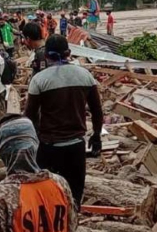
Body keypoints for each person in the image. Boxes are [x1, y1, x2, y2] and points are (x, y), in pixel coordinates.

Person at [24, 35, 103, 208]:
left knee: (47, 197)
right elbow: (97, 111)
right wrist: (96, 135)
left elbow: (29, 115)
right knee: (74, 196)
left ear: (46, 55)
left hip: (48, 147)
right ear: (68, 53)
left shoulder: (39, 80)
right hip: (75, 146)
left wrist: (33, 140)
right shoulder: (85, 75)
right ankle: (71, 230)